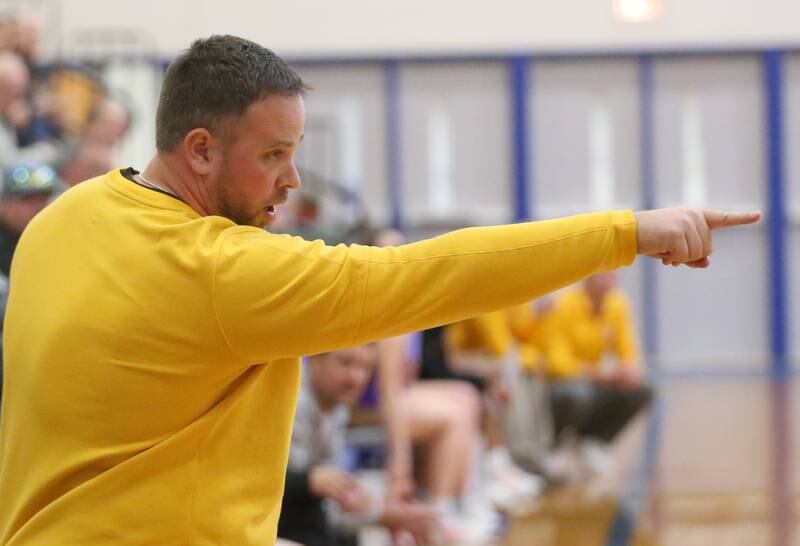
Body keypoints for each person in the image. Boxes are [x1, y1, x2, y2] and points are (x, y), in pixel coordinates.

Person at [0, 34, 759, 545]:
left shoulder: (63, 219)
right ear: (200, 149)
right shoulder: (220, 272)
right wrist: (628, 231)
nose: (292, 179)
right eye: (273, 155)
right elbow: (430, 275)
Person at [278, 345, 437, 546]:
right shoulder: (286, 400)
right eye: (345, 363)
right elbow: (269, 487)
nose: (356, 378)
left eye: (366, 368)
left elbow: (330, 501)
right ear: (314, 358)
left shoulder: (337, 407)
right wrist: (310, 481)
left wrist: (376, 510)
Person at [540, 271, 654, 477]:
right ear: (588, 277)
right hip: (560, 384)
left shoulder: (618, 305)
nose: (609, 279)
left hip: (594, 381)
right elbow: (557, 364)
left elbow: (628, 349)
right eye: (603, 274)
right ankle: (552, 447)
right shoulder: (563, 305)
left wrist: (629, 370)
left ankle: (592, 441)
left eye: (613, 274)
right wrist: (601, 374)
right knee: (576, 393)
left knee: (641, 390)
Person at [0, 163, 58, 276]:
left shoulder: (55, 240)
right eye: (27, 199)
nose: (37, 207)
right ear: (4, 203)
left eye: (43, 198)